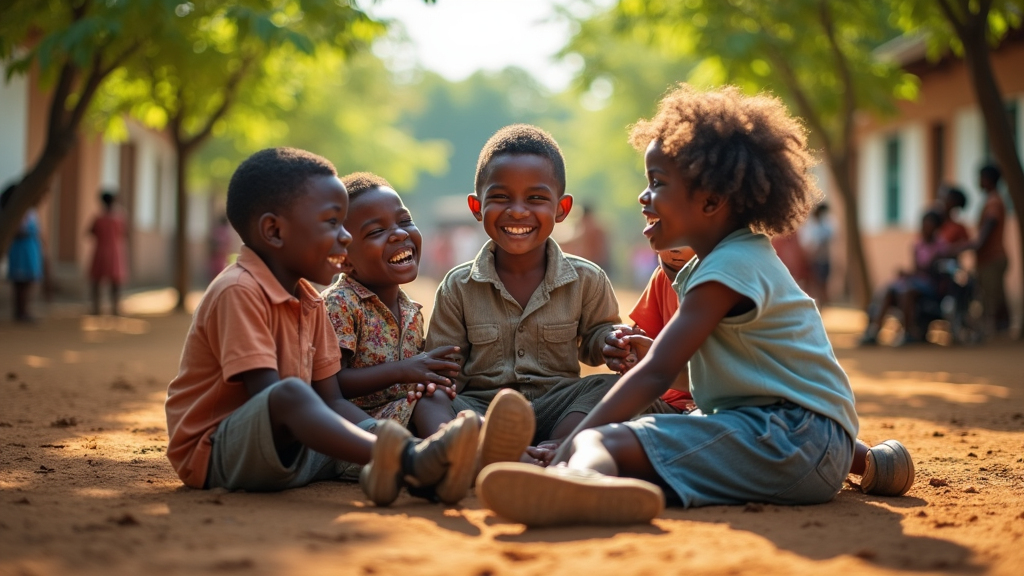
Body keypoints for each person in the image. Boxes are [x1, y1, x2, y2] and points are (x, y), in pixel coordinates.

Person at [476, 85, 914, 527]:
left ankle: (574, 479)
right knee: (643, 442)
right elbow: (731, 376)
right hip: (809, 443)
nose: (644, 197)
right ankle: (874, 464)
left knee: (604, 440)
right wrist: (655, 359)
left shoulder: (726, 269)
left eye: (657, 183)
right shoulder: (736, 259)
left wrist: (574, 440)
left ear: (710, 200)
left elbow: (656, 374)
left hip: (790, 441)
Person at [164, 147, 482, 507]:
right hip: (217, 454)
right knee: (291, 393)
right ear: (274, 231)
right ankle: (406, 462)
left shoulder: (309, 301)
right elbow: (270, 399)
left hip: (293, 452)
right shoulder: (238, 290)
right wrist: (391, 446)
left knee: (367, 410)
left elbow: (331, 400)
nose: (344, 237)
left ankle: (415, 466)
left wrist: (380, 435)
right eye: (332, 223)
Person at [425, 124, 623, 467]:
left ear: (562, 208)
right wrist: (440, 395)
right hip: (484, 411)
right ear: (476, 206)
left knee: (611, 388)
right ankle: (481, 449)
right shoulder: (457, 286)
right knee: (428, 398)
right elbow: (445, 370)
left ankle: (557, 447)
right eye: (501, 197)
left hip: (557, 408)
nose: (517, 211)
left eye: (536, 198)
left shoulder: (587, 279)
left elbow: (596, 340)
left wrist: (612, 342)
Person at [321, 172, 461, 437]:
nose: (399, 233)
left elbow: (413, 382)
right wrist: (403, 371)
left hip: (406, 414)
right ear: (344, 259)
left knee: (440, 398)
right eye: (376, 231)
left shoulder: (411, 310)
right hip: (361, 431)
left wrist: (432, 381)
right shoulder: (340, 303)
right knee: (430, 406)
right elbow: (332, 384)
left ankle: (512, 453)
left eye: (405, 221)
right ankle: (452, 451)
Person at [860, 211, 949, 346]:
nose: (925, 229)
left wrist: (916, 274)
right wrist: (908, 274)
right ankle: (875, 330)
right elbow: (917, 269)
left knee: (907, 291)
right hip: (918, 282)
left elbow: (935, 271)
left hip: (932, 285)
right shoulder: (917, 245)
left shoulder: (941, 246)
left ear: (936, 228)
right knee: (890, 290)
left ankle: (908, 332)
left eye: (929, 226)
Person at [626, 247, 697, 413]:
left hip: (715, 408)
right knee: (600, 388)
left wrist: (653, 368)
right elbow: (644, 344)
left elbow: (725, 380)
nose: (675, 249)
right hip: (666, 401)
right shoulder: (663, 276)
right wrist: (626, 347)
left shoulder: (722, 281)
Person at [969, 165, 1008, 336]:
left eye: (981, 178)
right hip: (989, 258)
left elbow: (984, 234)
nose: (978, 182)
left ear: (988, 180)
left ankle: (994, 334)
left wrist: (965, 245)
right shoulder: (991, 201)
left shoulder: (994, 203)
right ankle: (1001, 330)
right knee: (997, 296)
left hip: (992, 258)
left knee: (992, 299)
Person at [2, 185, 44, 322]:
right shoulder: (20, 212)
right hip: (21, 250)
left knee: (27, 281)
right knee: (21, 281)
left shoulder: (31, 212)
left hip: (30, 249)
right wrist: (29, 233)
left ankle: (23, 310)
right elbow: (16, 231)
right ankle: (20, 311)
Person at [88, 191, 128, 316]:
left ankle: (96, 308)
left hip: (100, 251)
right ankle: (115, 308)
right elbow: (124, 233)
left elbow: (90, 232)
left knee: (96, 281)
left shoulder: (98, 218)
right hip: (114, 252)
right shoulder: (119, 218)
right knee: (115, 282)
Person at [800, 203, 833, 305]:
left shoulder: (827, 225)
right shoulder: (811, 226)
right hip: (814, 260)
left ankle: (823, 304)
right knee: (813, 285)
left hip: (823, 259)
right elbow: (808, 243)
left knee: (822, 285)